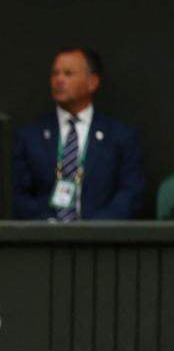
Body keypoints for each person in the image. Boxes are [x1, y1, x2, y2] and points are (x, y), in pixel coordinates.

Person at [12, 48, 145, 221]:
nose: (59, 80)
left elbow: (130, 192)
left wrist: (93, 231)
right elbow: (16, 193)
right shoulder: (29, 136)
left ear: (92, 82)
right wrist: (47, 226)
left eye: (68, 74)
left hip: (101, 241)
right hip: (42, 240)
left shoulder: (120, 136)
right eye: (55, 74)